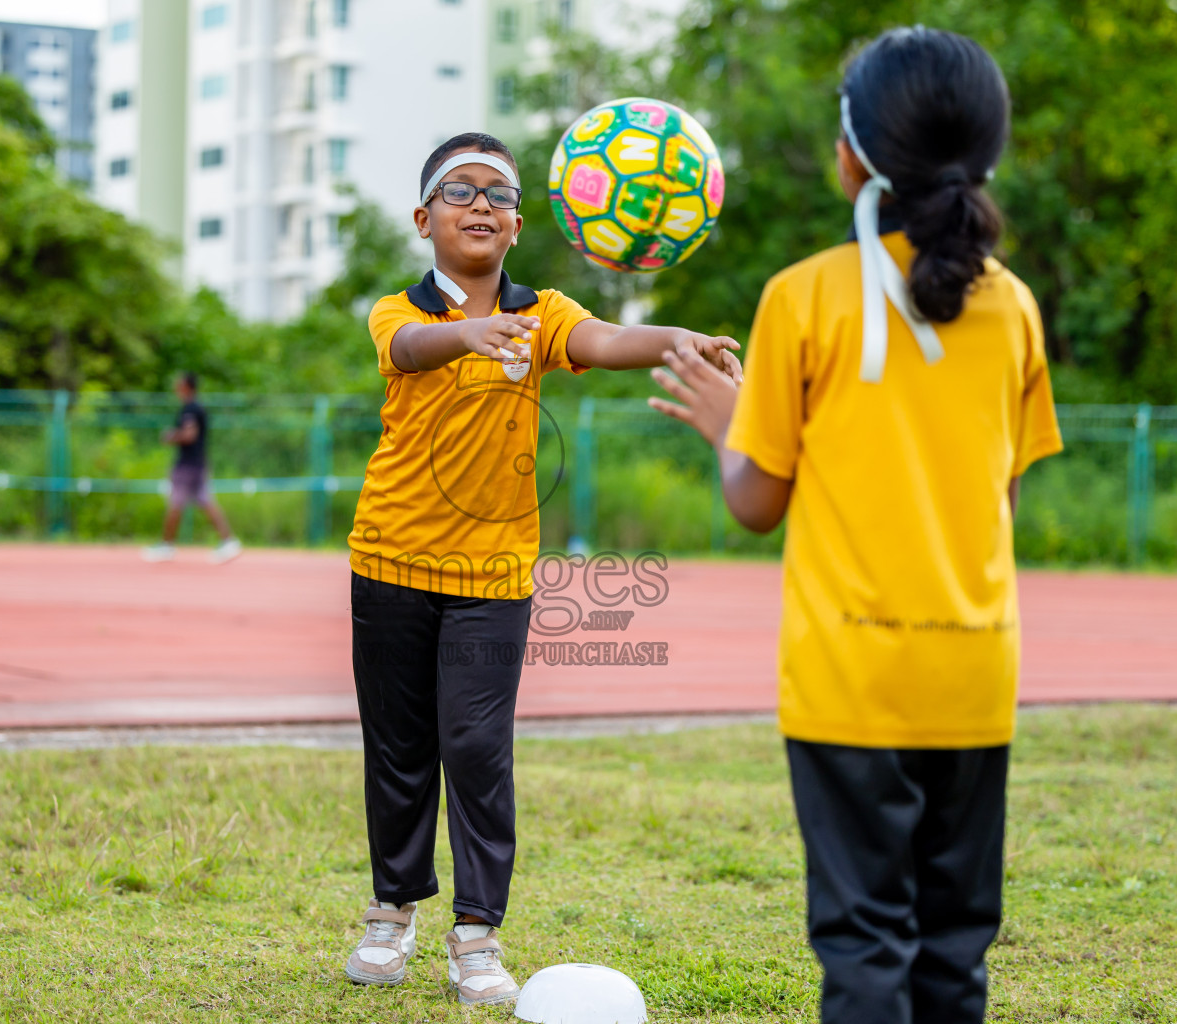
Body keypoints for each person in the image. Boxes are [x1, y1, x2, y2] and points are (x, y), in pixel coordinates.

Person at [649, 27, 1062, 1024]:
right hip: (973, 671)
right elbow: (997, 505)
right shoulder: (1012, 308)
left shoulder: (803, 297)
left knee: (865, 941)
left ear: (853, 155)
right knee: (956, 948)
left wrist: (722, 425)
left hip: (848, 679)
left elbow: (757, 503)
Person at [343, 131, 742, 1008]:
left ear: (520, 224)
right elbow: (408, 349)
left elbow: (606, 341)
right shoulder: (396, 311)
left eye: (499, 193)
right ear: (424, 217)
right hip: (389, 563)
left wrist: (688, 341)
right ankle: (392, 911)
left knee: (477, 749)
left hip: (493, 576)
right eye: (459, 190)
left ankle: (476, 935)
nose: (480, 203)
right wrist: (470, 335)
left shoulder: (545, 311)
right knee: (400, 750)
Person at [142, 371, 241, 564]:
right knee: (205, 501)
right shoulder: (197, 407)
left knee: (175, 502)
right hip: (198, 463)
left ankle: (166, 545)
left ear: (186, 386)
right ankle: (229, 541)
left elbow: (189, 435)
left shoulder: (190, 409)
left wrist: (171, 436)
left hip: (188, 466)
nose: (176, 387)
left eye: (178, 383)